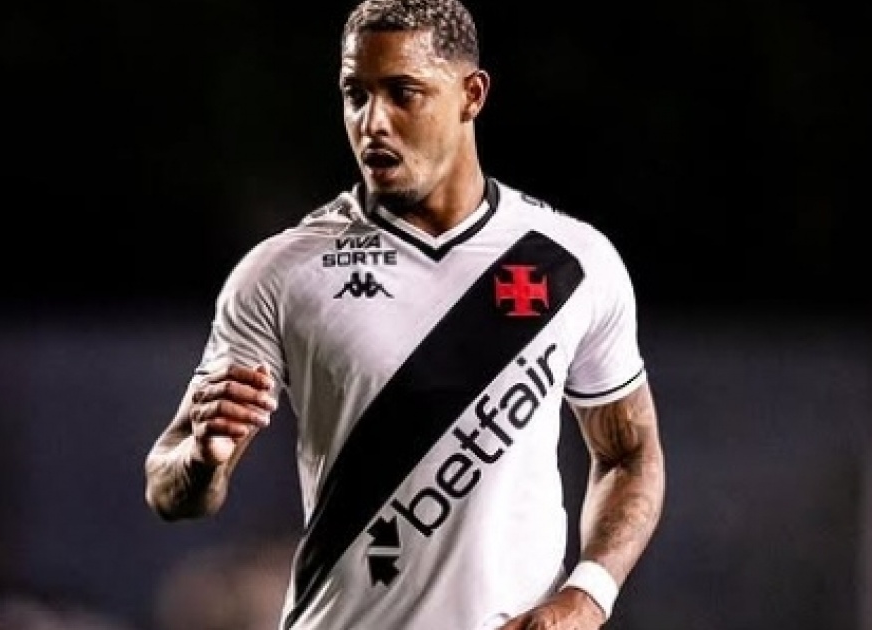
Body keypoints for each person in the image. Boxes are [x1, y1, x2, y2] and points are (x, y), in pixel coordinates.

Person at [143, 1, 666, 628]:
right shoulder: (282, 272)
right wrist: (202, 458)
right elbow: (169, 487)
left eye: (402, 93)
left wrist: (588, 595)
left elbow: (629, 454)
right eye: (355, 95)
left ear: (471, 95)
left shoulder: (569, 261)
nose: (373, 122)